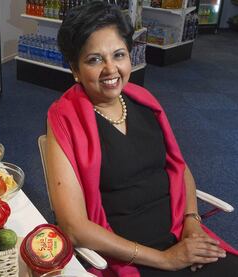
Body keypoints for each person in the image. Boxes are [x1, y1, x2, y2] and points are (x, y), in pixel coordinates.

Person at [45, 1, 238, 276]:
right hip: (130, 256)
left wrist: (192, 223)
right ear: (75, 69)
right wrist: (165, 259)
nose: (110, 69)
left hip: (180, 235)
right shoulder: (64, 118)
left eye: (119, 55)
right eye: (94, 59)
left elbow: (179, 168)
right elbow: (74, 227)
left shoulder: (145, 100)